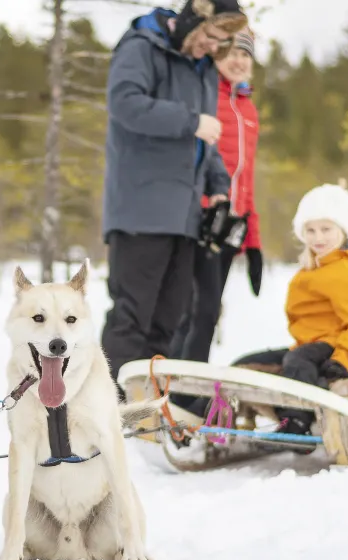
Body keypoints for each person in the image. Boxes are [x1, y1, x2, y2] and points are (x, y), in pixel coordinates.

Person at [100, 0, 246, 396]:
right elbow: (125, 104)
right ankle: (105, 406)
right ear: (191, 21)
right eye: (209, 36)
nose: (212, 47)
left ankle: (146, 406)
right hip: (141, 210)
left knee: (169, 317)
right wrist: (190, 122)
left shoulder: (201, 69)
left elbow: (206, 140)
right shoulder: (141, 46)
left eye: (221, 41)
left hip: (182, 215)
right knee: (132, 315)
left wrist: (217, 185)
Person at [228, 183, 348, 436]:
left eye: (326, 229)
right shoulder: (314, 267)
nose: (318, 238)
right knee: (244, 363)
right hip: (307, 343)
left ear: (342, 230)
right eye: (310, 230)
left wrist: (342, 359)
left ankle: (297, 421)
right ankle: (210, 413)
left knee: (298, 360)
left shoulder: (344, 272)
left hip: (333, 343)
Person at [168, 27, 263, 365]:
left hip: (229, 228)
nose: (238, 61)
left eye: (245, 55)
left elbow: (246, 181)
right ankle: (172, 390)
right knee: (194, 310)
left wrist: (253, 242)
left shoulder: (248, 110)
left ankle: (184, 389)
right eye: (232, 53)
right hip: (199, 220)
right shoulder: (207, 97)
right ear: (216, 55)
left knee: (206, 312)